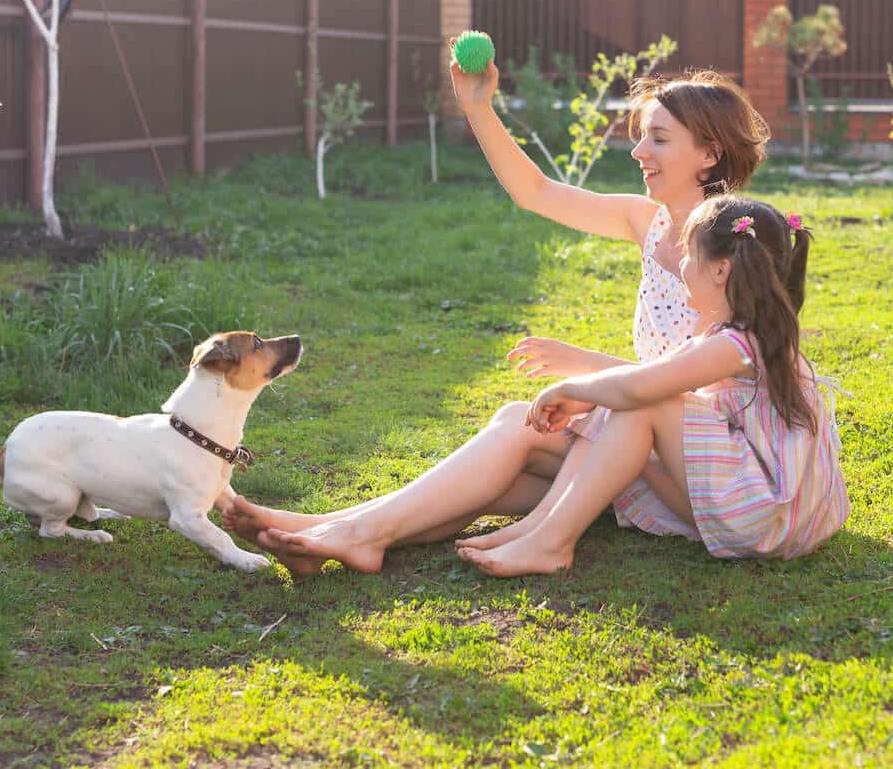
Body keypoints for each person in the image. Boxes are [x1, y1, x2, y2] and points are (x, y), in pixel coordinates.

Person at [221, 52, 771, 574]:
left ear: (709, 153)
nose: (638, 152)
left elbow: (700, 383)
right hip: (643, 436)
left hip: (708, 462)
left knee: (514, 452)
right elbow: (535, 191)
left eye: (659, 138)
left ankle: (351, 532)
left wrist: (585, 367)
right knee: (507, 443)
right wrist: (478, 107)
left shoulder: (735, 251)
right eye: (641, 136)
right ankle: (335, 529)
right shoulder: (646, 222)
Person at [458, 195, 849, 577]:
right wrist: (589, 391)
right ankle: (534, 527)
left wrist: (572, 390)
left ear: (720, 270)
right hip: (746, 505)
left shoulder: (738, 345)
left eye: (689, 255)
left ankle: (551, 541)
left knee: (646, 402)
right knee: (543, 464)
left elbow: (641, 387)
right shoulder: (732, 337)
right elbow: (649, 379)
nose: (680, 264)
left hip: (761, 513)